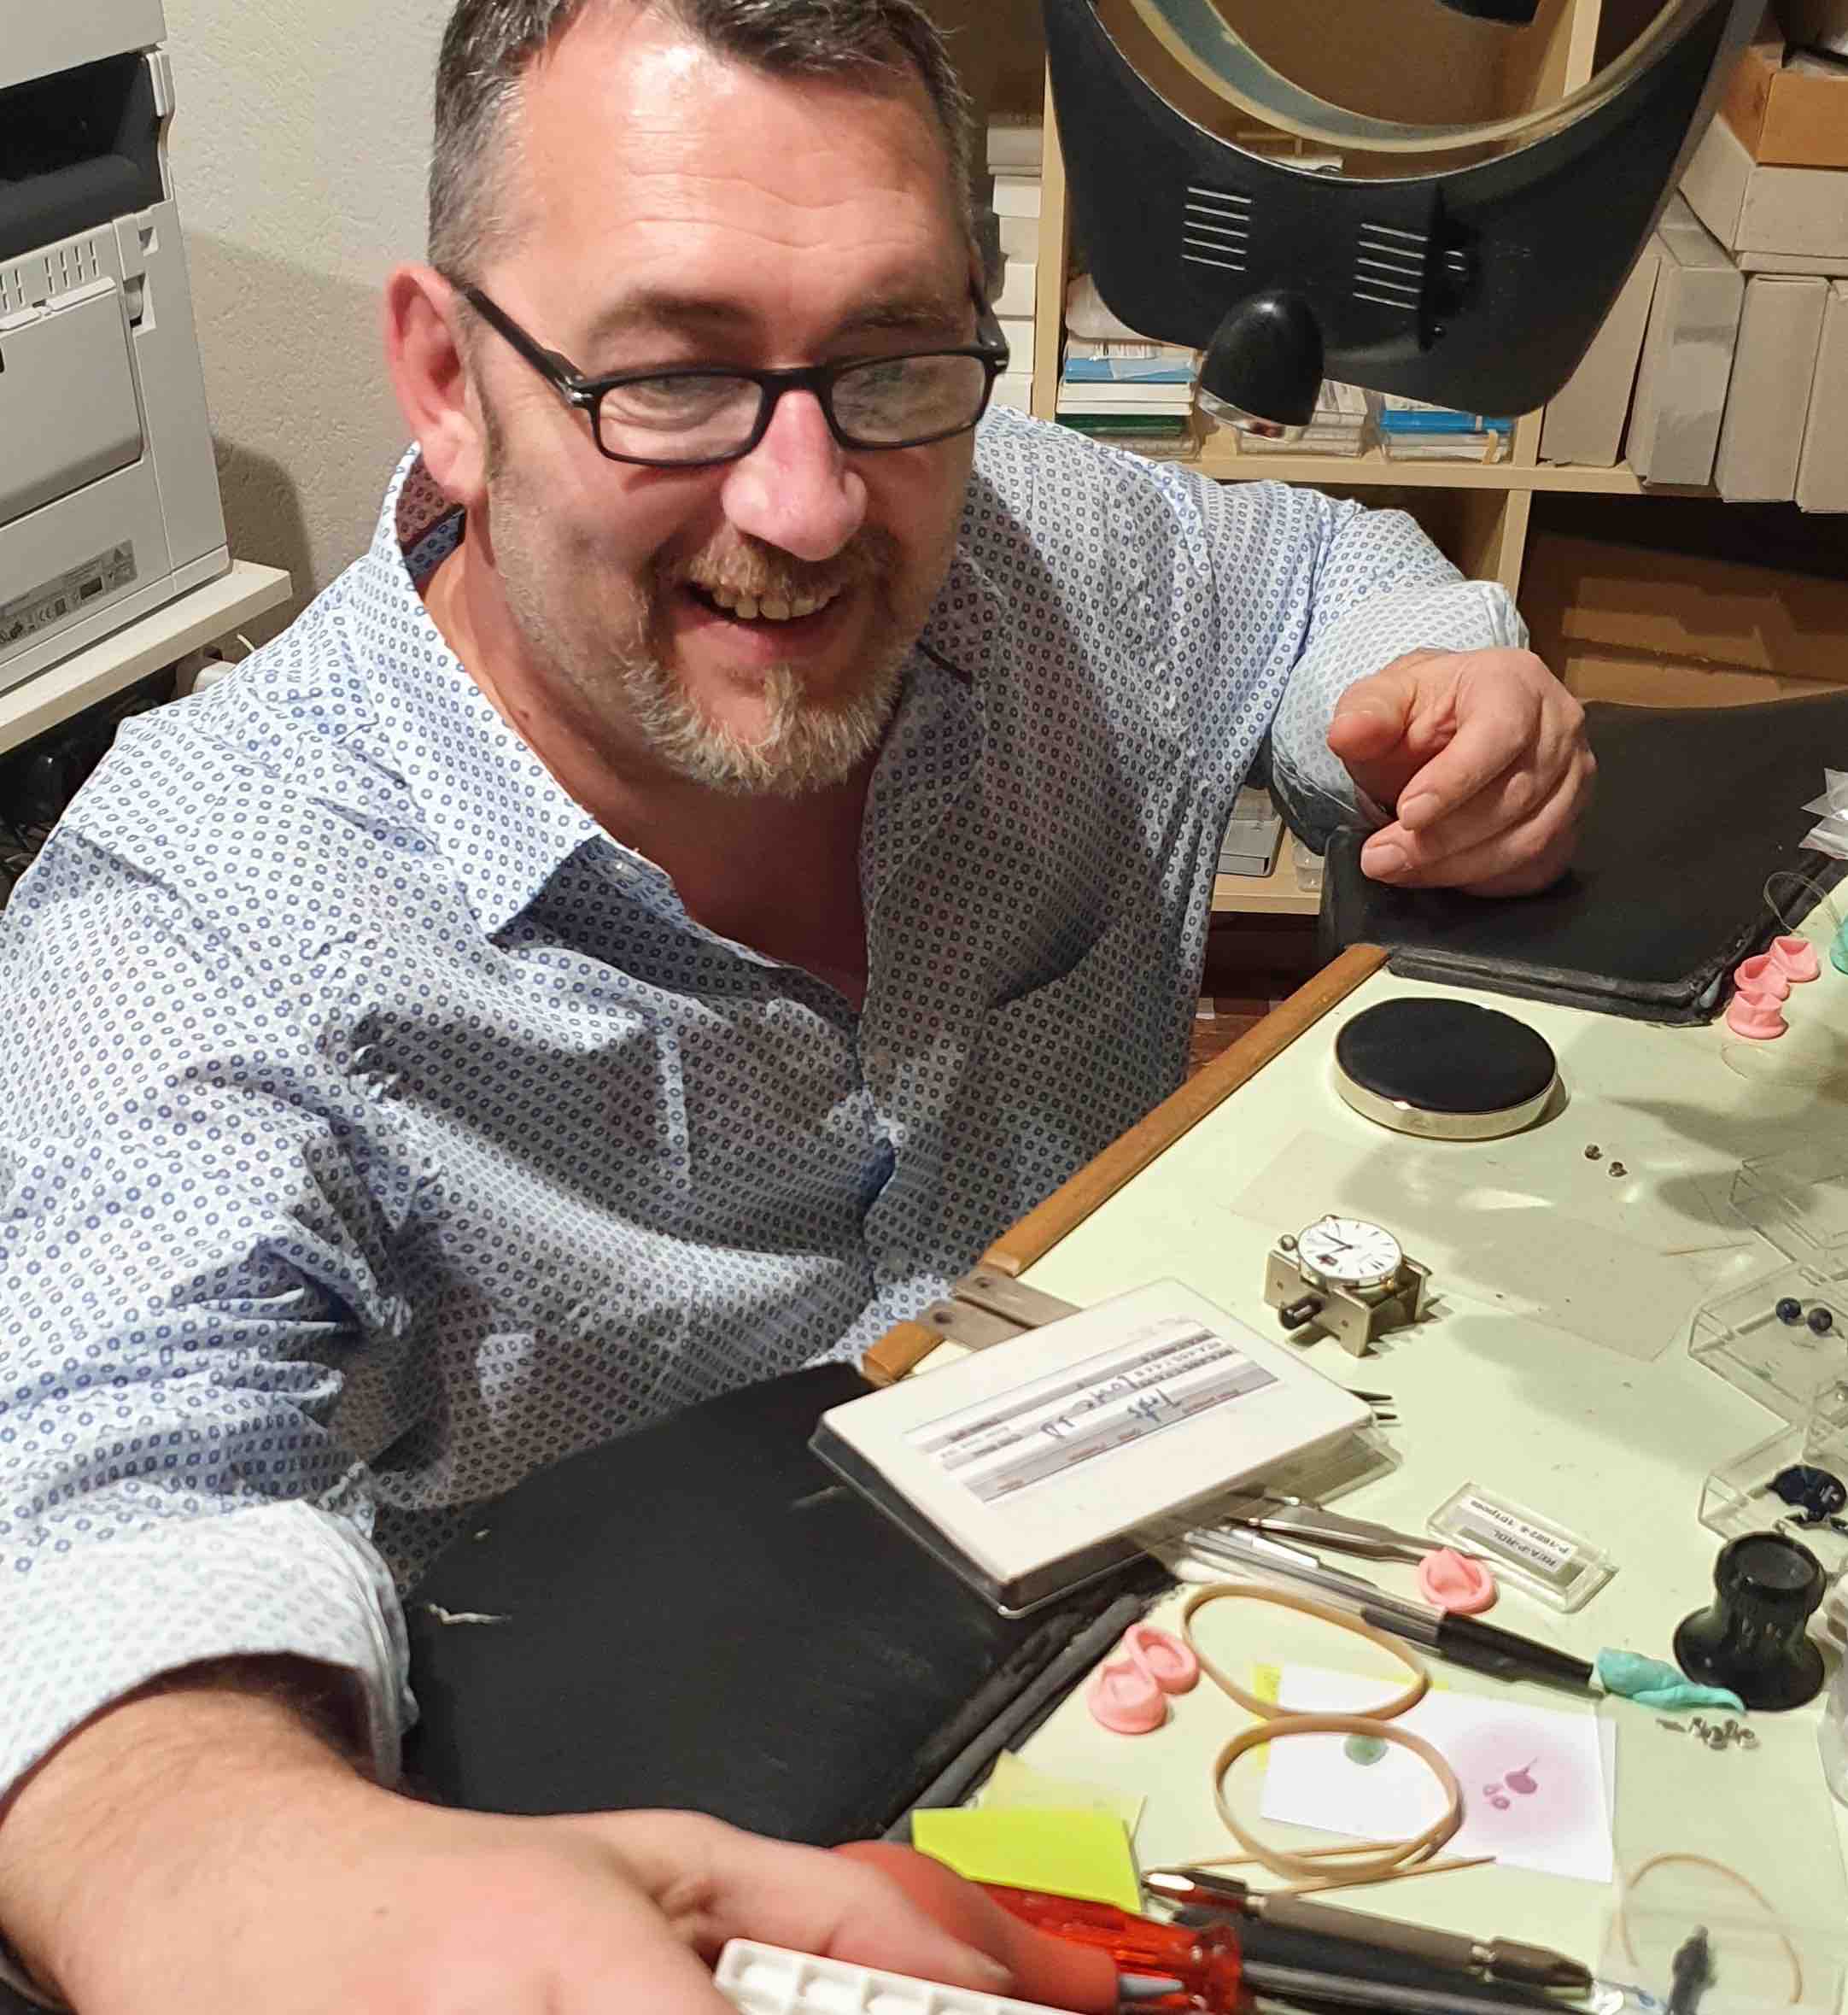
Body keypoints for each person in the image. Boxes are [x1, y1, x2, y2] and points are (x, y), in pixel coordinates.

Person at [0, 0, 1594, 2004]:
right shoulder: (208, 908)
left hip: (1164, 1650)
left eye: (888, 356)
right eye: (672, 377)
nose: (810, 506)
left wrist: (1428, 685)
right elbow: (93, 1511)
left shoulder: (1028, 540)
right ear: (448, 381)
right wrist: (244, 1881)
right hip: (646, 1829)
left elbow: (1302, 574)